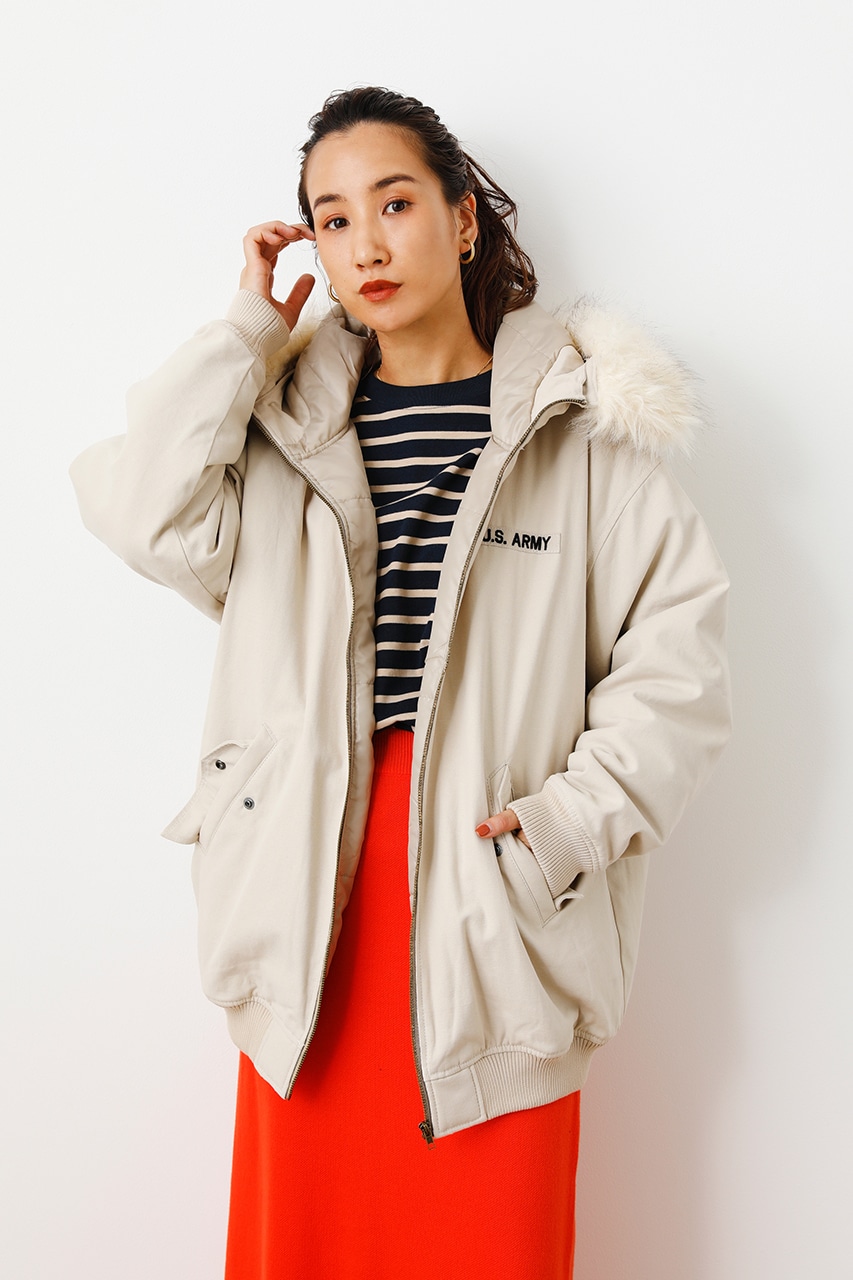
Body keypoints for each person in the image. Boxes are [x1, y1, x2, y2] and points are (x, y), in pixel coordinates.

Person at [70, 86, 731, 1279]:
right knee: (308, 1240)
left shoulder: (577, 432)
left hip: (493, 889)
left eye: (393, 203)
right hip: (309, 895)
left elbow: (677, 670)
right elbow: (139, 509)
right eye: (332, 219)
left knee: (488, 1241)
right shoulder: (280, 436)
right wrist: (244, 335)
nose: (365, 243)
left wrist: (565, 825)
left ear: (462, 218)